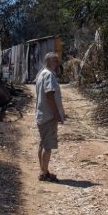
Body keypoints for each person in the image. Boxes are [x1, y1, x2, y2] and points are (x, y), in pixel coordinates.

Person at [35, 51, 66, 182]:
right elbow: (49, 94)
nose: (57, 63)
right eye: (55, 61)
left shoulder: (41, 74)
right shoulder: (49, 75)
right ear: (48, 61)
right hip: (48, 115)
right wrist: (56, 113)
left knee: (42, 144)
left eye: (57, 61)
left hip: (41, 114)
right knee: (47, 146)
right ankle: (44, 173)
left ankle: (44, 171)